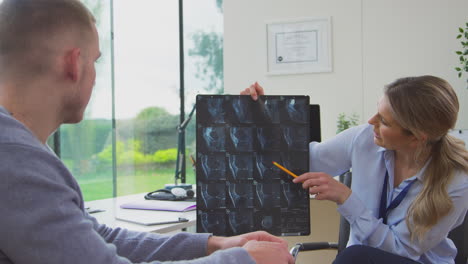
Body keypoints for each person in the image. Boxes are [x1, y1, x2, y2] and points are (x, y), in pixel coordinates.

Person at [0, 1, 295, 264]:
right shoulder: (16, 159)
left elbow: (94, 236)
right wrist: (241, 260)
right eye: (95, 61)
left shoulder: (18, 147)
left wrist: (213, 244)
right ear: (74, 64)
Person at [242, 77, 468, 264]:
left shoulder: (457, 181)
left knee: (355, 255)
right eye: (377, 112)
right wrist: (259, 119)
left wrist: (346, 198)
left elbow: (402, 250)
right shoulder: (364, 139)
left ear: (417, 137)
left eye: (384, 122)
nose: (371, 122)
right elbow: (301, 162)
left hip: (410, 261)